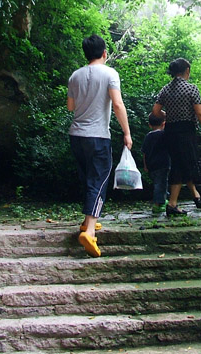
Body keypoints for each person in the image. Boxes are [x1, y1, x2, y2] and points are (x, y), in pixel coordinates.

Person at [67, 35, 132, 258]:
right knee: (99, 179)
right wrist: (127, 132)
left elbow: (70, 106)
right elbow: (117, 103)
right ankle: (91, 231)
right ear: (104, 53)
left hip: (76, 135)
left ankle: (87, 222)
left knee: (88, 179)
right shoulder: (110, 73)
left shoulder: (75, 75)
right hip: (98, 137)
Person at [153, 58, 201, 216]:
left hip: (171, 131)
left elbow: (155, 111)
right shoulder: (191, 89)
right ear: (187, 70)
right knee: (182, 164)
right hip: (186, 131)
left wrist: (168, 115)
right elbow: (200, 112)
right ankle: (172, 204)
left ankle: (195, 195)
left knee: (180, 162)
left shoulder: (165, 90)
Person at [141, 113, 171, 215]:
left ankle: (163, 198)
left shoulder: (148, 136)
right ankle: (158, 204)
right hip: (163, 163)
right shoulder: (164, 135)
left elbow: (144, 152)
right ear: (164, 123)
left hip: (151, 164)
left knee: (159, 183)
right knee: (161, 183)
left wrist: (145, 165)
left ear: (149, 124)